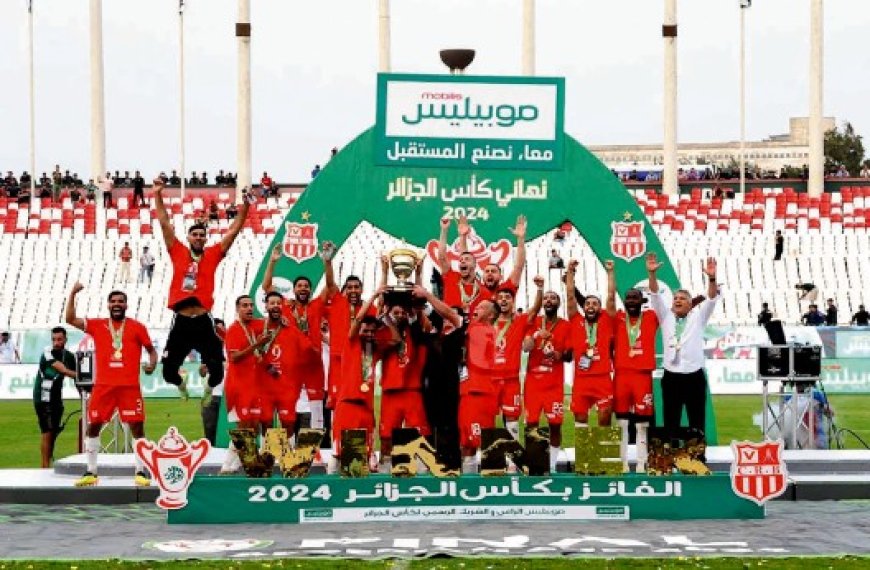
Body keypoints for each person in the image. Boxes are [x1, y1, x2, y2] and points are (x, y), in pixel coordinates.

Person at [153, 177, 250, 395]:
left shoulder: (213, 254)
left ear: (206, 238)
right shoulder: (177, 251)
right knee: (168, 372)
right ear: (188, 237)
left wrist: (246, 207)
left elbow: (234, 230)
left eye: (201, 235)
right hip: (182, 322)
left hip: (204, 321)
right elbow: (163, 221)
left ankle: (208, 387)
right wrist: (158, 193)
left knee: (217, 372)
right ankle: (181, 384)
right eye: (194, 234)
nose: (198, 237)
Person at [65, 283, 158, 487]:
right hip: (104, 386)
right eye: (113, 301)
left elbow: (151, 350)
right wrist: (72, 293)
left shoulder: (137, 327)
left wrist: (151, 364)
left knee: (137, 427)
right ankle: (91, 471)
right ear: (108, 305)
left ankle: (141, 471)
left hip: (129, 387)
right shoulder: (97, 325)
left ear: (126, 305)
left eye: (120, 301)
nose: (117, 304)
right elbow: (70, 319)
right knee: (94, 426)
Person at [648, 252, 719, 457]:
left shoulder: (698, 317)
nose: (678, 301)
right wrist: (651, 275)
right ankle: (670, 458)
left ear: (690, 304)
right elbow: (654, 295)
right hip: (671, 376)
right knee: (671, 419)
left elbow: (712, 298)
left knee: (696, 419)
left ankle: (696, 458)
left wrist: (712, 278)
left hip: (694, 375)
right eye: (675, 298)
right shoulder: (665, 316)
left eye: (682, 298)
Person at [262, 244, 328, 431]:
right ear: (294, 289)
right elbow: (266, 286)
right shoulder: (285, 305)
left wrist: (327, 262)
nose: (303, 288)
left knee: (315, 405)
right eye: (299, 286)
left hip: (313, 362)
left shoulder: (316, 306)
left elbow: (330, 287)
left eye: (306, 286)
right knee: (289, 406)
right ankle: (288, 446)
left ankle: (313, 448)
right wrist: (272, 261)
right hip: (292, 364)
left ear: (310, 290)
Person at [331, 287, 394, 472]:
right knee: (338, 450)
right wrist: (374, 296)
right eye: (366, 331)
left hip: (366, 409)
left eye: (372, 331)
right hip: (347, 404)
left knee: (365, 453)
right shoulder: (351, 342)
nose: (369, 334)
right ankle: (330, 482)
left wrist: (387, 318)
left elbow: (396, 340)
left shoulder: (375, 350)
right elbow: (358, 320)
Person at [377, 290, 429, 469]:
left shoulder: (416, 332)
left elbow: (418, 318)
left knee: (418, 435)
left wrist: (414, 303)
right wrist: (384, 309)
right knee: (386, 437)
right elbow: (383, 332)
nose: (400, 316)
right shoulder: (384, 334)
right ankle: (384, 474)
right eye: (396, 313)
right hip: (390, 392)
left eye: (403, 313)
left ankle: (422, 473)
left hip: (412, 391)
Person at [523, 287, 572, 473]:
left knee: (555, 425)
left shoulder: (566, 325)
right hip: (533, 385)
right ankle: (535, 464)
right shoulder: (533, 321)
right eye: (546, 298)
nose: (549, 300)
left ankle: (551, 466)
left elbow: (569, 356)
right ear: (542, 303)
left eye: (553, 298)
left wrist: (556, 354)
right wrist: (536, 336)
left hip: (554, 385)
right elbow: (526, 347)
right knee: (532, 425)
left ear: (559, 304)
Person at [436, 214, 527, 314]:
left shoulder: (501, 291)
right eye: (487, 271)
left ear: (501, 277)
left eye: (493, 271)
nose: (489, 273)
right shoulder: (467, 283)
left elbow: (518, 267)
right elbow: (460, 259)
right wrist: (459, 235)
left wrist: (520, 239)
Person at [219, 297, 269, 474]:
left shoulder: (253, 326)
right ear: (237, 309)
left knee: (253, 429)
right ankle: (227, 466)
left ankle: (235, 466)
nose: (249, 308)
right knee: (244, 429)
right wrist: (257, 345)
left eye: (251, 305)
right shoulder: (233, 330)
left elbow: (270, 321)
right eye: (244, 306)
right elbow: (234, 358)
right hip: (238, 386)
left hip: (254, 385)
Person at [612, 283, 659, 473]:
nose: (631, 301)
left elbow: (667, 305)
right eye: (628, 298)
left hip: (642, 375)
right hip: (622, 374)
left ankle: (641, 463)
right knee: (622, 422)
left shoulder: (651, 317)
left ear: (642, 301)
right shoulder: (618, 318)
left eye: (635, 298)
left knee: (642, 423)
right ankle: (622, 463)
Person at [567, 259, 616, 429]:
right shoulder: (575, 320)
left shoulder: (606, 321)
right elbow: (570, 297)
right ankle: (586, 456)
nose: (590, 306)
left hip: (602, 378)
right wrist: (570, 273)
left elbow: (611, 296)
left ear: (599, 308)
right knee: (580, 420)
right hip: (581, 379)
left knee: (605, 418)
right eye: (587, 303)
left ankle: (603, 455)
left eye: (595, 304)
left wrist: (610, 272)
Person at [491, 279, 541, 442]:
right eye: (501, 297)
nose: (504, 299)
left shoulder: (519, 321)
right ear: (495, 301)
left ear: (513, 302)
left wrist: (540, 289)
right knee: (487, 421)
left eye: (508, 297)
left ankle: (512, 465)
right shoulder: (487, 321)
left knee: (512, 422)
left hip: (510, 381)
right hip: (489, 381)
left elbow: (534, 311)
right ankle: (492, 464)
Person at [258, 292, 311, 439]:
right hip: (265, 388)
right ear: (266, 306)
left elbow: (308, 349)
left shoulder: (292, 329)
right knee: (266, 422)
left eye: (278, 303)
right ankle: (266, 456)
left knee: (288, 423)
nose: (275, 306)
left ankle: (287, 457)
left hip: (286, 387)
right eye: (272, 303)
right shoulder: (258, 326)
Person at [34, 327, 78, 468]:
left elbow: (77, 380)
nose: (56, 342)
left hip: (56, 397)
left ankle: (48, 462)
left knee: (54, 431)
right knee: (47, 430)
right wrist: (86, 376)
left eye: (59, 339)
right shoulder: (47, 354)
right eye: (54, 339)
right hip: (43, 397)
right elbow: (64, 370)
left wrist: (84, 394)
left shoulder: (69, 356)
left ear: (65, 339)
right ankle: (44, 466)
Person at [200, 318, 226, 446]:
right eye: (216, 330)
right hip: (213, 395)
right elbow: (203, 373)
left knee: (232, 431)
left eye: (221, 329)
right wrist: (202, 370)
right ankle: (211, 457)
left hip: (229, 396)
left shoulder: (231, 346)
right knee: (210, 430)